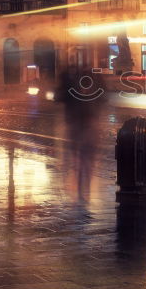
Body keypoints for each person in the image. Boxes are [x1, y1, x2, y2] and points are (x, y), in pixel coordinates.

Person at [56, 65, 105, 201]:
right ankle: (83, 187)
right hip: (82, 125)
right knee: (84, 158)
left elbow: (59, 97)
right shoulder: (78, 87)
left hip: (83, 125)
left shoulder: (75, 86)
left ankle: (83, 187)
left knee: (83, 158)